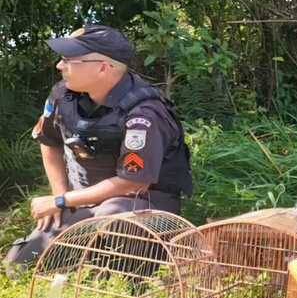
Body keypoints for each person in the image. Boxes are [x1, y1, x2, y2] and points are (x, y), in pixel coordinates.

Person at [3, 25, 193, 270]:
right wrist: (60, 198)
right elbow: (49, 142)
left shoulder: (143, 113)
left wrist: (61, 200)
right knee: (20, 265)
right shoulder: (63, 96)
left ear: (103, 67)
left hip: (142, 204)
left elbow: (133, 183)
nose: (60, 66)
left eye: (69, 60)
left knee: (114, 222)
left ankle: (129, 274)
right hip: (85, 201)